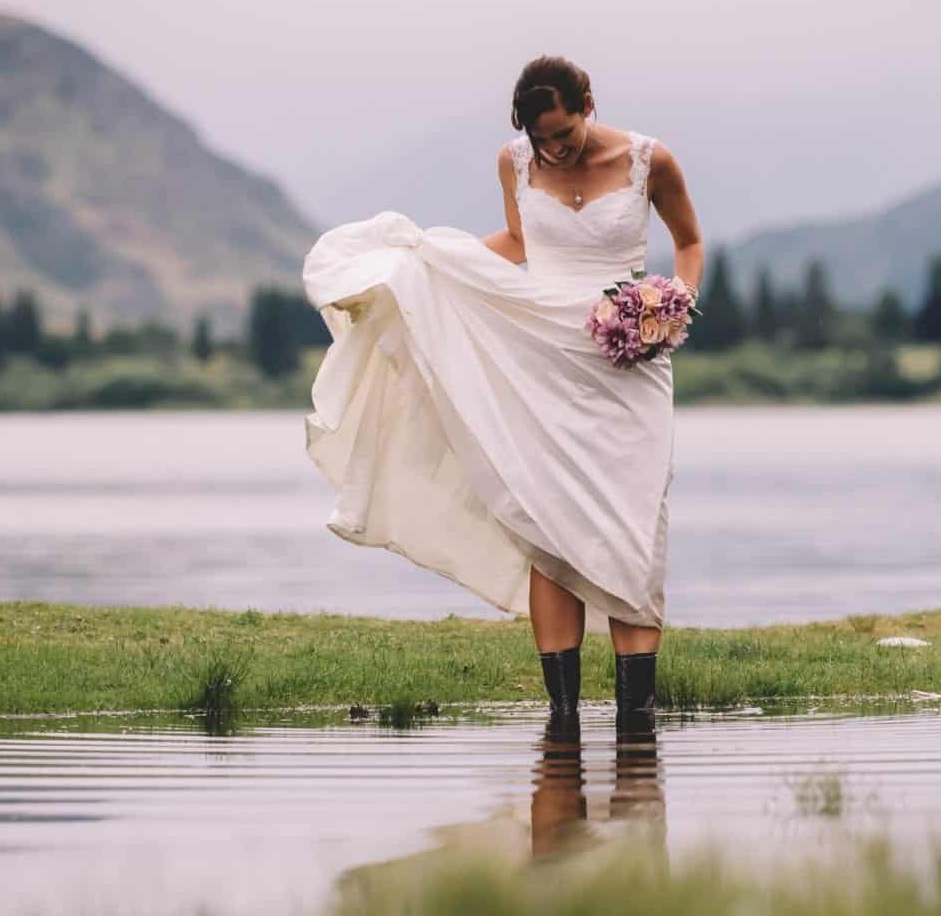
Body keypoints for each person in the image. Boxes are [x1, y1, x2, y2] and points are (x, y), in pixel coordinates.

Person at [301, 55, 704, 721]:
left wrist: (671, 305)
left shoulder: (649, 160)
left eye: (564, 133)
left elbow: (688, 243)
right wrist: (429, 267)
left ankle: (638, 715)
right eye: (542, 138)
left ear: (588, 104)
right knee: (547, 519)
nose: (554, 148)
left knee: (636, 518)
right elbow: (520, 244)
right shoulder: (513, 164)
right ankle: (564, 715)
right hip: (541, 354)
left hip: (628, 362)